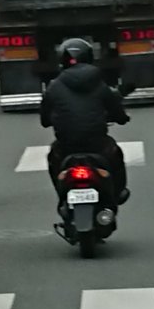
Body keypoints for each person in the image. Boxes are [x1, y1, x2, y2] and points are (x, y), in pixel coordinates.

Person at [39, 37, 130, 207]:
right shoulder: (100, 84)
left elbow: (44, 118)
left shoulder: (54, 86)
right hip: (97, 144)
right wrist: (122, 118)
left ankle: (62, 195)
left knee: (53, 159)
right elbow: (116, 110)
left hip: (66, 146)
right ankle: (118, 192)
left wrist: (50, 120)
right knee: (116, 155)